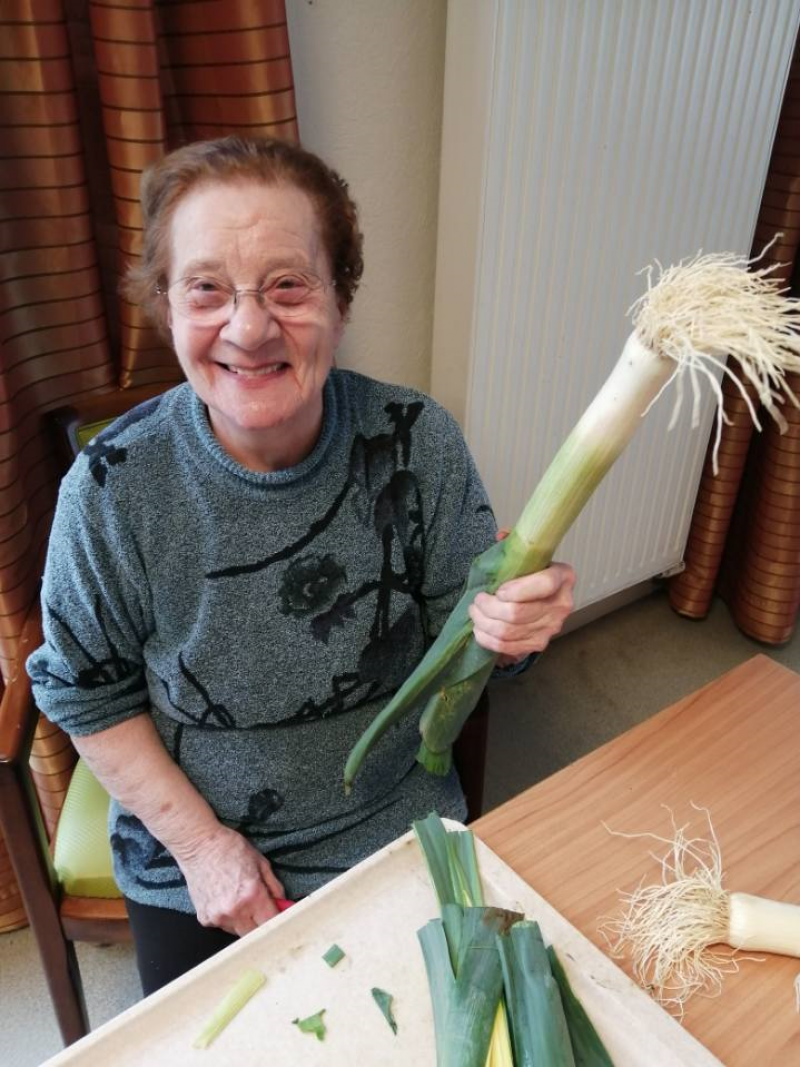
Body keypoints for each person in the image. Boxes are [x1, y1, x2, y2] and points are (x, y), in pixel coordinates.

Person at [27, 136, 575, 995]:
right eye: (206, 288)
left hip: (393, 818)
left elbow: (473, 653)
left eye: (288, 284)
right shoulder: (112, 489)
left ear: (339, 299)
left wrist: (514, 633)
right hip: (191, 848)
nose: (248, 328)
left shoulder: (413, 440)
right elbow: (82, 691)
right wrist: (207, 850)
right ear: (164, 305)